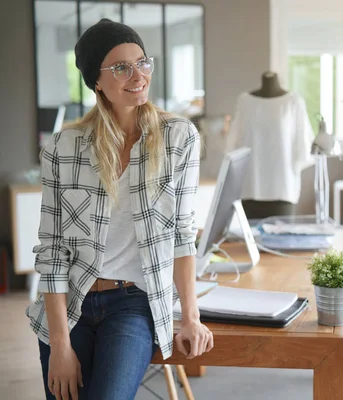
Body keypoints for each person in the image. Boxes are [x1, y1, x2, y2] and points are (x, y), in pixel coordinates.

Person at [25, 18, 213, 400]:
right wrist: (60, 345)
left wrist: (190, 318)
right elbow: (52, 250)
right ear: (96, 81)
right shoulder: (64, 147)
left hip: (133, 305)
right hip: (70, 305)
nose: (137, 75)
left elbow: (182, 233)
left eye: (142, 62)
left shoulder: (179, 137)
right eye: (120, 67)